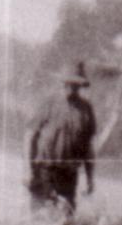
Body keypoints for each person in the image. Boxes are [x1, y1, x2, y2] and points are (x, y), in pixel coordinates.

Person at [27, 62, 98, 212]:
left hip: (69, 175)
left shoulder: (86, 109)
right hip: (45, 170)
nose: (72, 87)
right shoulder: (50, 102)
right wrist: (28, 170)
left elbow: (88, 147)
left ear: (80, 86)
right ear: (63, 82)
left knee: (66, 219)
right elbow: (30, 135)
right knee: (42, 216)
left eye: (76, 84)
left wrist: (90, 178)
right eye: (69, 83)